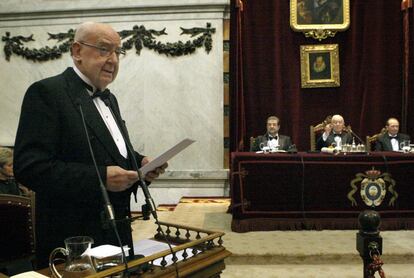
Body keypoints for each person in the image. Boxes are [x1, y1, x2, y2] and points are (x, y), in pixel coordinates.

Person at [14, 22, 167, 269]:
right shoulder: (46, 92)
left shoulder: (110, 98)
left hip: (116, 236)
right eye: (104, 49)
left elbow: (108, 151)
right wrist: (100, 178)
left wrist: (140, 164)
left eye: (118, 52)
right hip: (73, 243)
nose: (114, 60)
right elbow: (29, 167)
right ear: (77, 51)